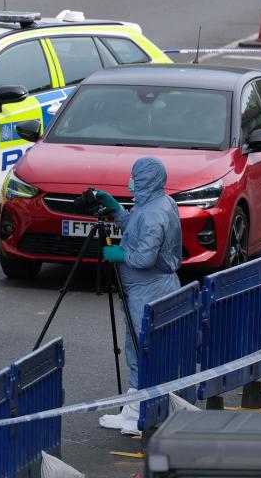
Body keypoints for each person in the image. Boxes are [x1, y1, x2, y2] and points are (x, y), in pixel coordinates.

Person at [94, 157, 182, 434]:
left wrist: (121, 254)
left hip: (148, 290)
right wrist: (118, 211)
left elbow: (144, 256)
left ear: (145, 178)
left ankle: (136, 414)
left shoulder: (154, 211)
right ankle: (144, 408)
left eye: (134, 176)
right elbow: (137, 227)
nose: (130, 181)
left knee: (141, 347)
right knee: (150, 347)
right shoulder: (158, 202)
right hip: (154, 288)